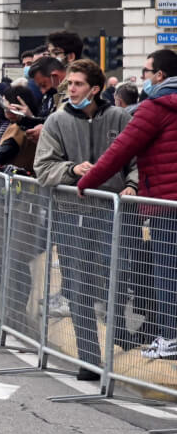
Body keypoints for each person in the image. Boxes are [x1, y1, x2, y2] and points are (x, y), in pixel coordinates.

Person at [35, 58, 135, 381]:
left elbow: (136, 160)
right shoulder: (56, 121)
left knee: (117, 275)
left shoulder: (119, 117)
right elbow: (43, 168)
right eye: (70, 84)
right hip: (72, 214)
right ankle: (89, 359)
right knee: (79, 286)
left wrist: (132, 184)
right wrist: (71, 170)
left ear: (95, 89)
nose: (71, 89)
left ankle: (117, 342)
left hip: (112, 212)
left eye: (78, 84)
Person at [77, 49, 177, 360]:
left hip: (166, 205)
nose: (143, 77)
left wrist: (86, 182)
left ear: (159, 75)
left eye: (146, 71)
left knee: (167, 273)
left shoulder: (155, 107)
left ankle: (171, 339)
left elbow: (119, 150)